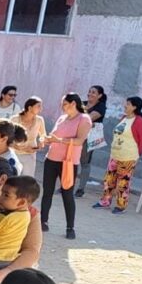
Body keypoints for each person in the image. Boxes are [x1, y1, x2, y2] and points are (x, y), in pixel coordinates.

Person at [41, 93, 92, 239]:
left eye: (64, 104)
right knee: (47, 191)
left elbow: (79, 141)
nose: (62, 106)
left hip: (68, 162)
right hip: (51, 158)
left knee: (67, 194)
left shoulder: (84, 119)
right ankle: (43, 221)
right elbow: (54, 135)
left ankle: (70, 228)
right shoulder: (62, 118)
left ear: (73, 104)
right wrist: (47, 140)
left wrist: (59, 140)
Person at [94, 96, 142, 214]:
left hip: (128, 157)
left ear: (134, 107)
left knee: (123, 182)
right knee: (109, 180)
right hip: (115, 155)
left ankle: (121, 205)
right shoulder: (124, 118)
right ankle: (105, 201)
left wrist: (136, 156)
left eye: (128, 104)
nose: (125, 105)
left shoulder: (139, 121)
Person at [75, 85, 107, 197]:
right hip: (76, 134)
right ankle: (66, 185)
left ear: (100, 95)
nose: (90, 94)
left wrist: (78, 117)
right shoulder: (81, 103)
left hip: (89, 137)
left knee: (85, 162)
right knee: (71, 161)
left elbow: (87, 119)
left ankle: (81, 189)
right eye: (89, 91)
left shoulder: (101, 107)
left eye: (93, 92)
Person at [11, 97, 47, 178]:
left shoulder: (39, 120)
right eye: (38, 106)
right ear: (30, 107)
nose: (41, 109)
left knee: (27, 180)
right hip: (15, 154)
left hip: (30, 154)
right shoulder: (15, 119)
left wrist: (41, 141)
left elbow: (43, 135)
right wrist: (20, 148)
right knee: (13, 178)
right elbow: (8, 138)